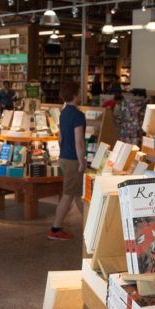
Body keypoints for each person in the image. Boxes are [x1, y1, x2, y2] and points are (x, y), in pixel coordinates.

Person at [49, 82, 86, 241]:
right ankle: (55, 229)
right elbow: (79, 141)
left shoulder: (63, 113)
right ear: (75, 94)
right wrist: (82, 160)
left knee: (76, 194)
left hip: (64, 157)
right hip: (72, 160)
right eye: (79, 91)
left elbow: (60, 137)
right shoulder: (78, 115)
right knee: (69, 195)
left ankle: (91, 224)